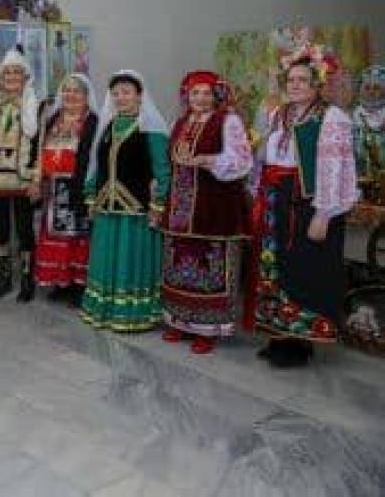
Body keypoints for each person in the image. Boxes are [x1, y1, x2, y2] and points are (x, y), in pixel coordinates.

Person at [250, 44, 358, 367]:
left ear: (317, 84)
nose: (295, 85)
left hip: (308, 203)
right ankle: (278, 334)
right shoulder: (279, 114)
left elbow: (336, 167)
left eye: (303, 80)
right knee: (274, 267)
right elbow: (264, 158)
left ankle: (300, 341)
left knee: (305, 270)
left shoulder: (331, 117)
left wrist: (324, 213)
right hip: (276, 200)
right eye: (291, 80)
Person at [161, 71, 252, 354]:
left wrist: (206, 160)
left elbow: (242, 161)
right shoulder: (179, 122)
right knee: (178, 265)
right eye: (194, 93)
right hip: (180, 210)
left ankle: (208, 328)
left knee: (209, 266)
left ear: (216, 96)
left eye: (206, 93)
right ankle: (179, 320)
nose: (200, 98)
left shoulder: (228, 121)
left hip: (214, 209)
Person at [81, 70, 170, 332]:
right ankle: (105, 309)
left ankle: (132, 312)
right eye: (116, 93)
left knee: (131, 261)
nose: (120, 98)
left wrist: (158, 204)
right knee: (106, 259)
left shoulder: (151, 129)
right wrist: (90, 195)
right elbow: (97, 165)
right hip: (107, 208)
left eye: (126, 92)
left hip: (137, 211)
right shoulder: (108, 126)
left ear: (140, 95)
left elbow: (163, 170)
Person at [29, 73, 98, 307]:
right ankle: (60, 283)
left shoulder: (92, 122)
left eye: (77, 91)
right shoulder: (52, 119)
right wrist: (37, 179)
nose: (71, 95)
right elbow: (39, 150)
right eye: (67, 90)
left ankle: (78, 286)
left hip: (77, 187)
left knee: (77, 238)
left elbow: (94, 158)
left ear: (86, 96)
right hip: (53, 188)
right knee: (56, 238)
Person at [0, 47, 39, 300]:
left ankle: (27, 280)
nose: (12, 77)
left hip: (22, 177)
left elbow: (37, 139)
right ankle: (3, 278)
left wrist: (36, 178)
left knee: (25, 230)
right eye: (7, 73)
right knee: (0, 229)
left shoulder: (34, 104)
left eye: (17, 72)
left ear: (26, 77)